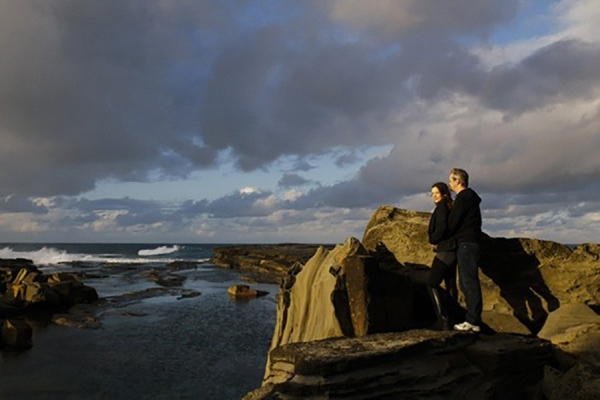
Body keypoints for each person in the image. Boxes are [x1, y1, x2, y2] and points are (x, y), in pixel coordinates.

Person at [447, 168, 483, 332]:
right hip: (471, 242)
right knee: (466, 282)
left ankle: (473, 321)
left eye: (451, 180)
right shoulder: (470, 198)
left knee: (468, 282)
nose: (449, 183)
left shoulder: (462, 199)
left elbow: (453, 223)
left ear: (458, 181)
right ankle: (472, 320)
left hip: (466, 244)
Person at [427, 182, 458, 331]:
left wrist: (434, 240)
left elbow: (442, 228)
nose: (434, 196)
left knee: (432, 282)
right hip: (453, 250)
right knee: (450, 284)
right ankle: (453, 318)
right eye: (432, 194)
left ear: (444, 194)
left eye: (436, 193)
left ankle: (443, 319)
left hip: (445, 250)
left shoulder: (441, 209)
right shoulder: (450, 207)